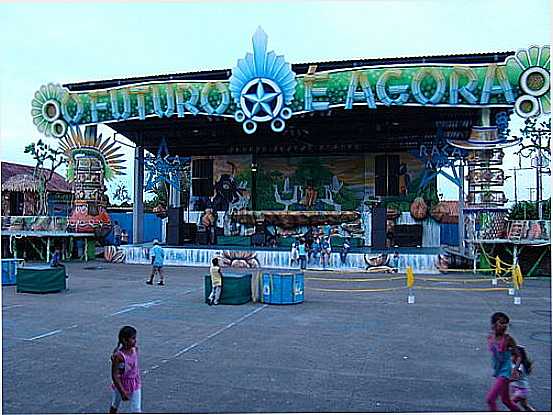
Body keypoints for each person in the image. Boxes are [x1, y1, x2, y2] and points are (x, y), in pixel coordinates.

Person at [485, 312, 520, 411]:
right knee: (506, 400)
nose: (504, 326)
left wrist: (514, 370)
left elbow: (518, 356)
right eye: (501, 323)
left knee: (490, 400)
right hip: (498, 370)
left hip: (506, 372)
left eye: (506, 324)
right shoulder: (490, 337)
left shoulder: (508, 339)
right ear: (494, 324)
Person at [110, 326, 142, 414]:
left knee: (136, 409)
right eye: (133, 338)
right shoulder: (119, 356)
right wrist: (122, 391)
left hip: (134, 383)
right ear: (125, 340)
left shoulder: (135, 349)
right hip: (121, 384)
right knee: (115, 404)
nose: (135, 340)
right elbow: (115, 375)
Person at [511, 345, 535, 411]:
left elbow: (515, 377)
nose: (511, 357)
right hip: (517, 387)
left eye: (513, 355)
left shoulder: (520, 367)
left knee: (511, 403)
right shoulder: (514, 364)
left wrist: (504, 381)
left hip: (521, 389)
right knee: (525, 405)